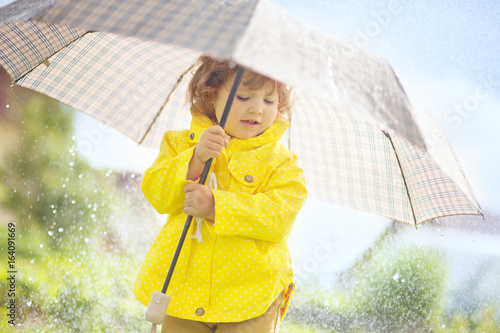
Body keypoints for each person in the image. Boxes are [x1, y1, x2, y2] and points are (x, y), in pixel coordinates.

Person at [134, 55, 307, 333]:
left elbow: (279, 218)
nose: (257, 109)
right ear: (210, 95)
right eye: (242, 96)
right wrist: (195, 159)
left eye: (269, 101)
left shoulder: (282, 162)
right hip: (183, 289)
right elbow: (157, 193)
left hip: (252, 295)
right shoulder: (181, 144)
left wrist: (216, 206)